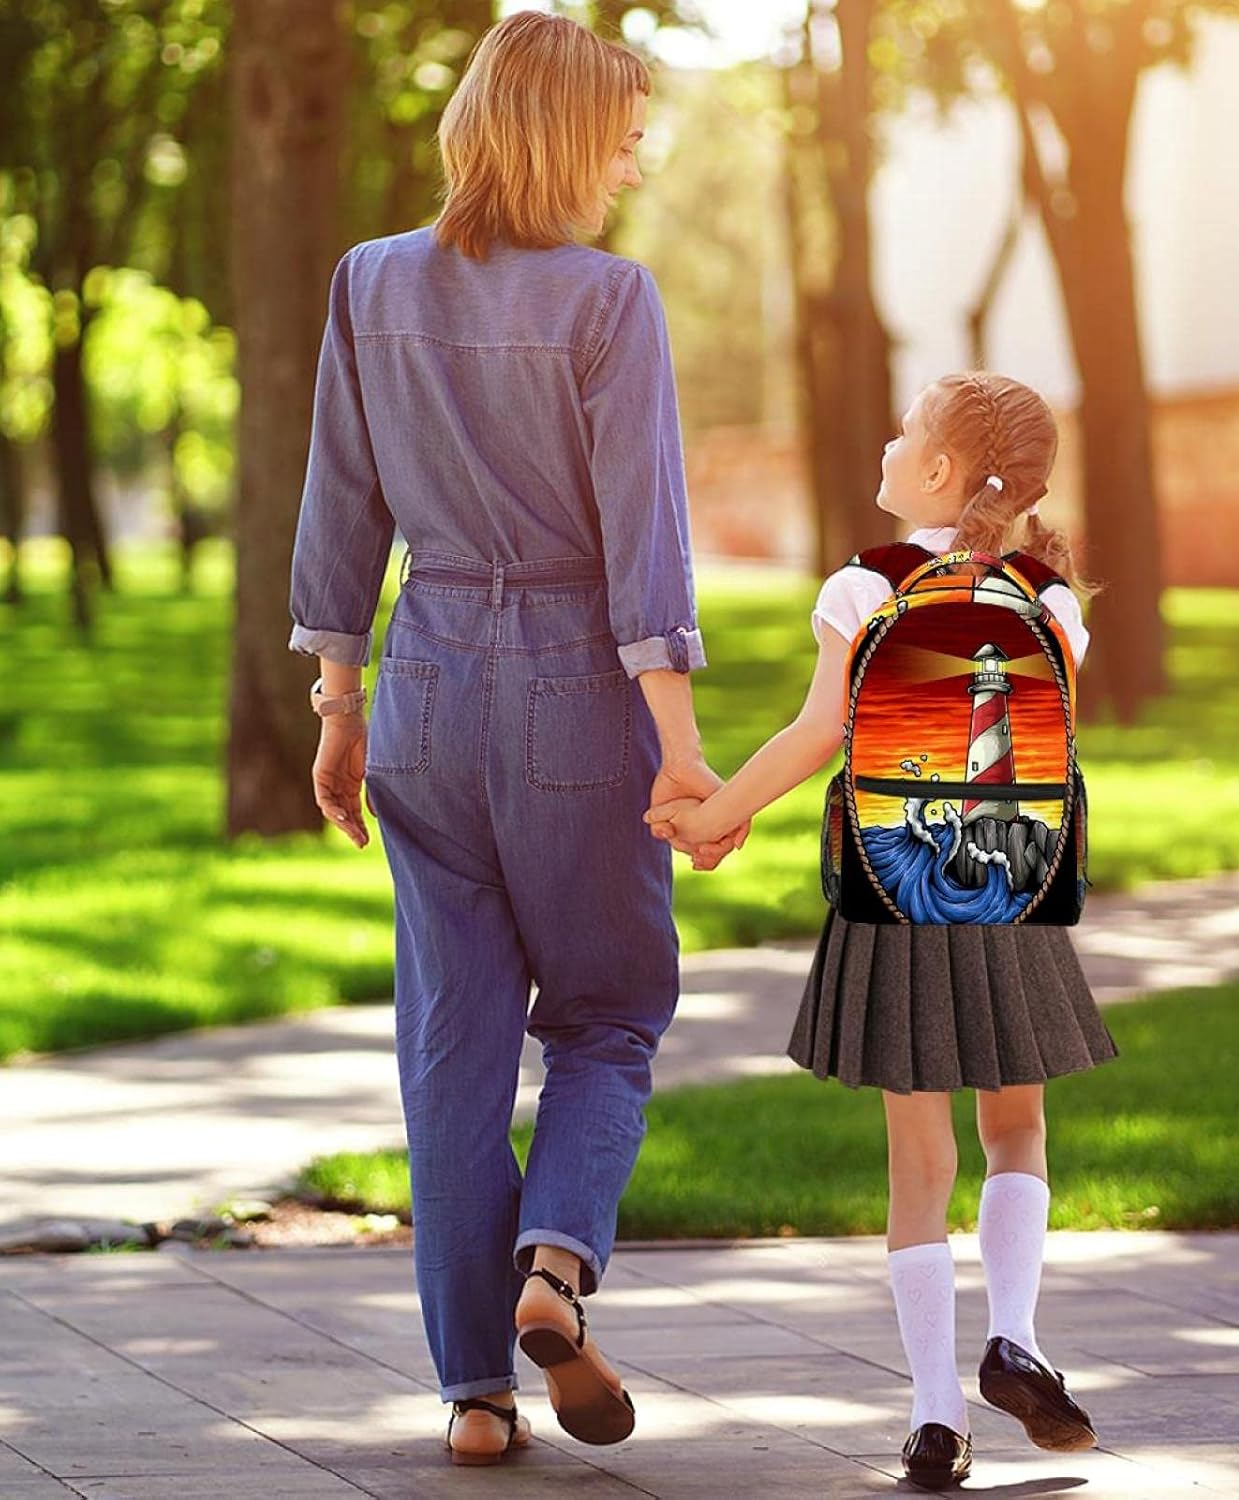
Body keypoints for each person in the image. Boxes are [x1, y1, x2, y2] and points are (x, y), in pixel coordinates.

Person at [286, 12, 748, 1467]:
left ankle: (474, 1394)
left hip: (423, 683)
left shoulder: (369, 284)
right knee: (611, 1013)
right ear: (557, 134)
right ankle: (556, 1268)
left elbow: (339, 509)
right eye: (617, 134)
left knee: (454, 1044)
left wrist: (339, 705)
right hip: (572, 687)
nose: (628, 160)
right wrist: (680, 749)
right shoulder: (610, 300)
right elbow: (644, 548)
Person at [645, 371, 1119, 1491]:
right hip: (1014, 891)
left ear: (942, 471)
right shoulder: (1051, 597)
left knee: (920, 1163)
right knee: (1018, 1131)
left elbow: (820, 731)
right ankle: (1018, 1335)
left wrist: (717, 815)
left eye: (905, 432)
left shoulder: (866, 587)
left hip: (895, 892)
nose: (888, 442)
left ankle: (935, 1416)